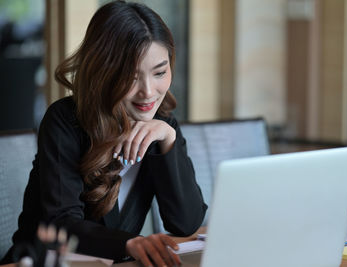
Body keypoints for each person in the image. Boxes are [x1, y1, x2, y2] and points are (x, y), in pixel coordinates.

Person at [0, 1, 207, 266]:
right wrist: (129, 244)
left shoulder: (162, 127)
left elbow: (186, 223)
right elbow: (61, 222)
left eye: (160, 73)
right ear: (103, 72)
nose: (148, 91)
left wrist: (168, 142)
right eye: (131, 77)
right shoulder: (65, 121)